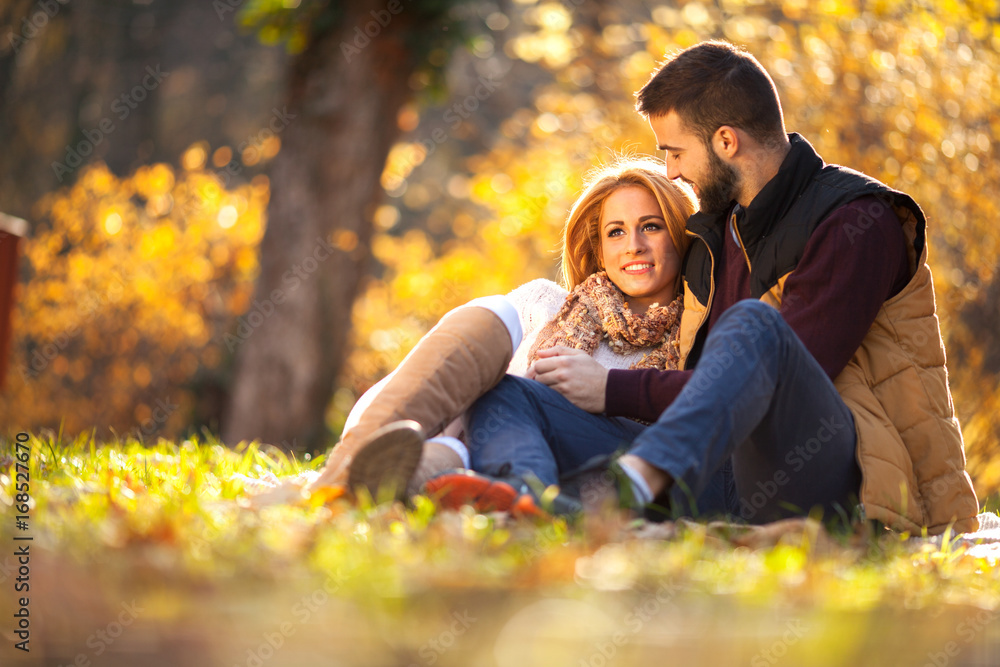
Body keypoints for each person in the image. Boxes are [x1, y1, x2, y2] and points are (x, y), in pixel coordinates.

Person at [460, 40, 979, 534]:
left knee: (756, 325)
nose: (671, 170)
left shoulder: (855, 222)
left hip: (821, 473)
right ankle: (528, 505)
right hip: (710, 466)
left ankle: (641, 480)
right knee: (503, 392)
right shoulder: (715, 232)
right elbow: (644, 278)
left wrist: (610, 389)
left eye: (676, 152)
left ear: (726, 141)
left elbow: (779, 379)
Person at [310, 158, 708, 513]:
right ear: (599, 249)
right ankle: (345, 472)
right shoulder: (545, 303)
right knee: (491, 319)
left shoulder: (686, 348)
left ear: (679, 235)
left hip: (538, 468)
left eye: (651, 227)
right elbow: (410, 380)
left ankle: (353, 485)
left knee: (466, 440)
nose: (633, 247)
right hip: (440, 438)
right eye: (616, 233)